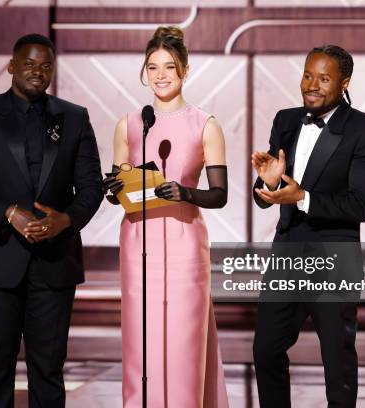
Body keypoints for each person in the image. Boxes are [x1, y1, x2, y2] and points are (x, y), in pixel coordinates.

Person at [0, 33, 103, 407]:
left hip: (55, 261)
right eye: (29, 64)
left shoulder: (74, 118)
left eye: (46, 65)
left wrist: (66, 220)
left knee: (48, 368)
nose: (37, 72)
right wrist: (7, 214)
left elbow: (92, 187)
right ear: (11, 66)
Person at [251, 45, 365, 408]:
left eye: (323, 78)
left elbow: (361, 204)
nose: (311, 84)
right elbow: (266, 192)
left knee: (337, 366)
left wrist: (302, 197)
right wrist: (273, 184)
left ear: (344, 82)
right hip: (287, 258)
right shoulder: (286, 120)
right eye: (307, 75)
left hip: (334, 259)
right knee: (265, 352)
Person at [102, 26, 229, 407]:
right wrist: (112, 189)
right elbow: (118, 192)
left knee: (183, 339)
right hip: (137, 241)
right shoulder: (129, 124)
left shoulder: (206, 125)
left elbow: (219, 195)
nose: (160, 75)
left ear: (185, 70)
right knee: (141, 339)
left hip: (185, 243)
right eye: (153, 66)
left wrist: (185, 192)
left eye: (169, 67)